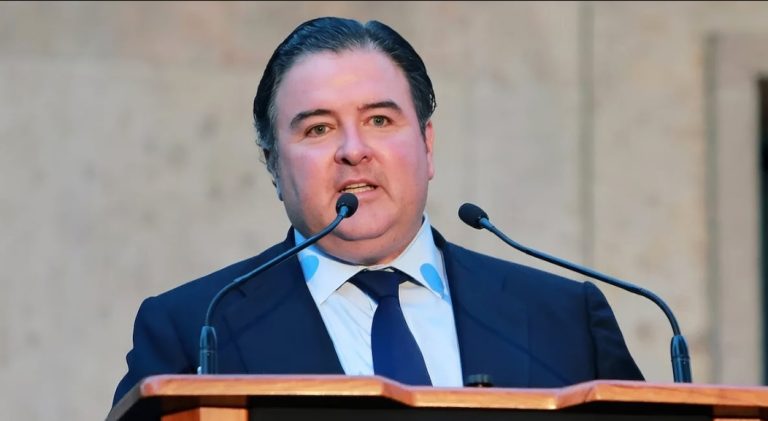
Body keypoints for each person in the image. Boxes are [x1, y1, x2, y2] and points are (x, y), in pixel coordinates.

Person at [113, 16, 643, 406]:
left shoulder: (565, 318)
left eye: (380, 121)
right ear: (273, 165)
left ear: (427, 145)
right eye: (318, 128)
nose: (353, 150)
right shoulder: (194, 329)